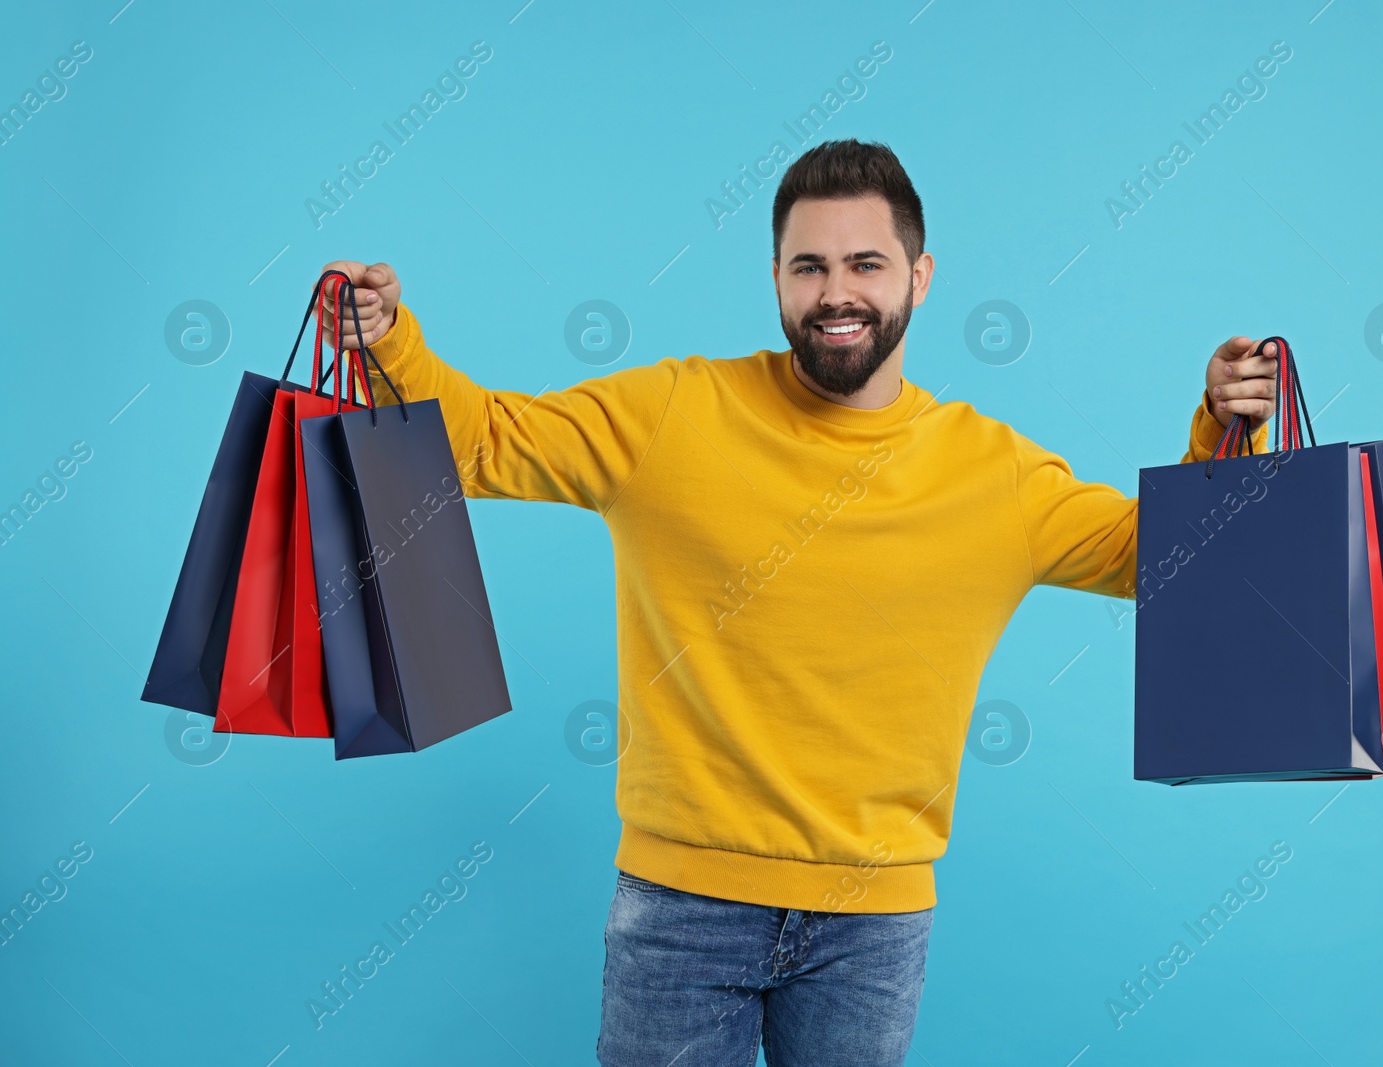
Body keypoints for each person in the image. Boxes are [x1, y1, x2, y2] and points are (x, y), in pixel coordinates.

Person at [321, 138, 1277, 1067]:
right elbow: (485, 441)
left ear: (921, 275)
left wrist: (1222, 428)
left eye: (866, 262)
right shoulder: (673, 413)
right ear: (776, 277)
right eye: (808, 266)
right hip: (680, 903)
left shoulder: (995, 473)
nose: (836, 293)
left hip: (874, 922)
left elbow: (1161, 559)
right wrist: (391, 339)